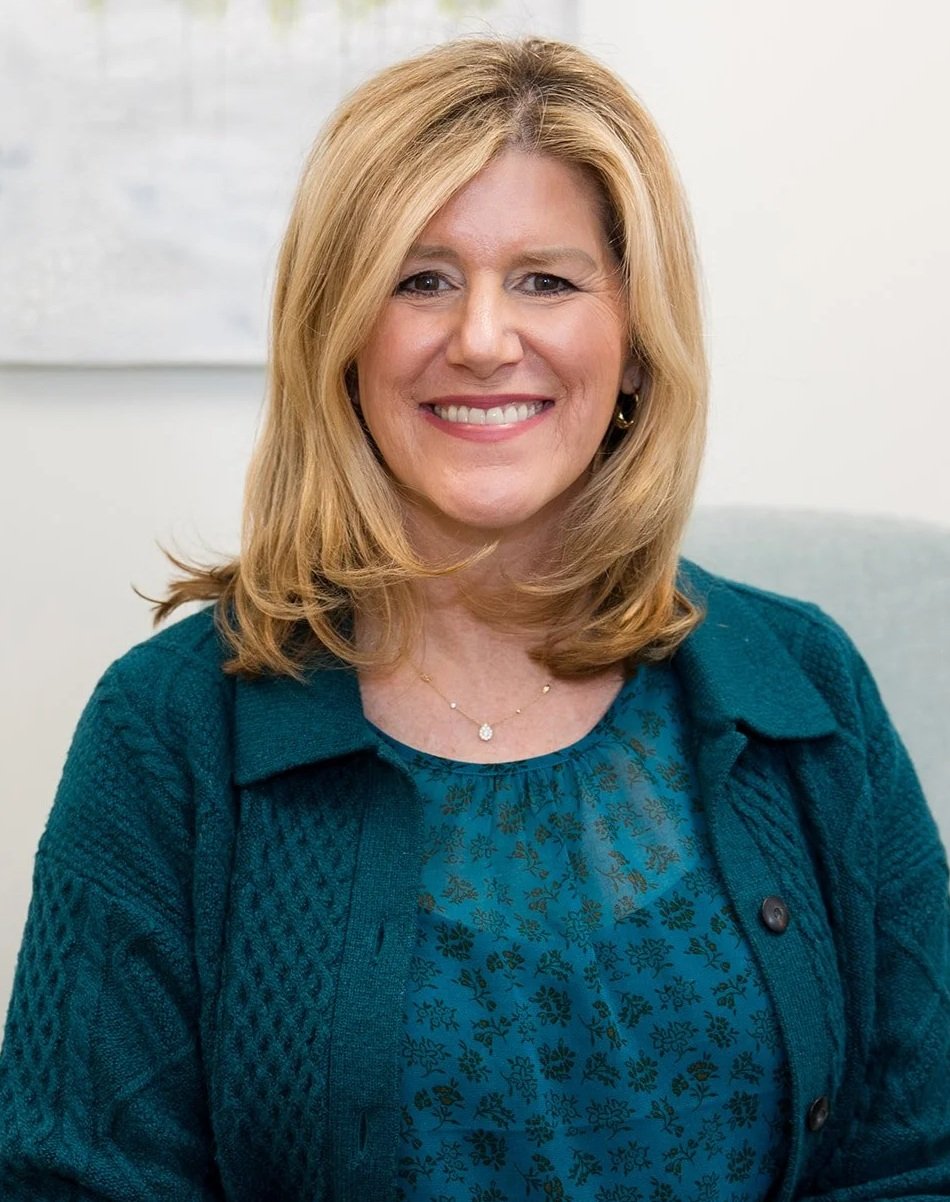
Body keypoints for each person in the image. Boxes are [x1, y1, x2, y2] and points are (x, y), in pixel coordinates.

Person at [1, 34, 947, 1202]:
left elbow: (917, 1157)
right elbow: (73, 1181)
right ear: (340, 337)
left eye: (545, 279)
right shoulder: (169, 730)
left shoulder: (804, 685)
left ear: (635, 343)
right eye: (421, 278)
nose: (485, 337)